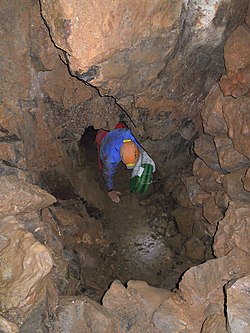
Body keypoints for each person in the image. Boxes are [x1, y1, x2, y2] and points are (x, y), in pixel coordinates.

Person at [96, 121, 141, 203]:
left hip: (117, 126)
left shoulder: (131, 135)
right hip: (103, 135)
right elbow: (107, 174)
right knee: (103, 167)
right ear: (121, 157)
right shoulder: (110, 157)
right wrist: (110, 190)